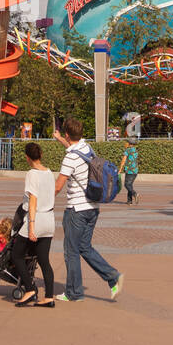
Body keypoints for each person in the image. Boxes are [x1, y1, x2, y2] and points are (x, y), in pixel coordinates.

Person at [54, 118, 122, 302]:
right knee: (84, 247)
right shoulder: (87, 148)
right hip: (93, 207)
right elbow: (73, 150)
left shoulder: (70, 158)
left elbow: (58, 186)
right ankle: (112, 276)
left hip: (76, 210)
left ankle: (74, 292)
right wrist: (60, 139)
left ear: (68, 134)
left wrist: (42, 198)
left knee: (71, 251)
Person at [14, 141, 57, 308]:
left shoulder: (32, 174)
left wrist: (31, 226)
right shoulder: (49, 172)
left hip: (36, 218)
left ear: (27, 158)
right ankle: (49, 297)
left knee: (17, 255)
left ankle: (30, 289)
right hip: (49, 219)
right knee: (44, 260)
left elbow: (33, 201)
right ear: (41, 155)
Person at [117, 138, 139, 205]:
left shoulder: (127, 150)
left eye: (126, 142)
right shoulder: (135, 150)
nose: (125, 143)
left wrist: (120, 170)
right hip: (135, 170)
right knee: (130, 185)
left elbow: (123, 160)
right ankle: (129, 201)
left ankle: (134, 193)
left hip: (129, 170)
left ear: (129, 143)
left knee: (126, 185)